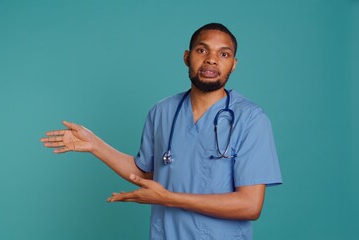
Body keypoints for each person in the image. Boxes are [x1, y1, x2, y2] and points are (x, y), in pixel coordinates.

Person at [41, 23, 282, 240]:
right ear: (187, 57)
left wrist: (168, 198)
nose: (211, 59)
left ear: (233, 64)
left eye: (224, 54)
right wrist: (95, 145)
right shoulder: (162, 112)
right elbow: (145, 174)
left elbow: (250, 206)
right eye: (202, 50)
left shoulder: (251, 119)